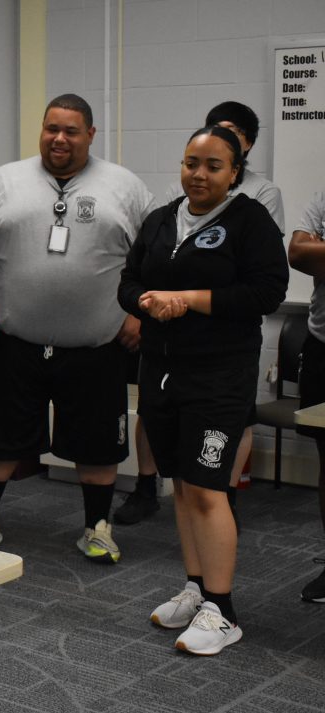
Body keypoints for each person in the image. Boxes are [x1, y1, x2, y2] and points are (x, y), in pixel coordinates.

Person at [0, 94, 154, 562]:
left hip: (97, 343)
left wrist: (139, 313)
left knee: (97, 447)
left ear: (91, 133)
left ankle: (98, 528)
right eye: (51, 129)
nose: (59, 139)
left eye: (71, 130)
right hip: (12, 340)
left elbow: (154, 258)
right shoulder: (2, 181)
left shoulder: (126, 188)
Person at [119, 125, 287, 654]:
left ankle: (224, 609)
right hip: (162, 371)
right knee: (184, 487)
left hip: (219, 376)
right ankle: (196, 589)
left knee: (210, 488)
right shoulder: (162, 218)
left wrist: (189, 298)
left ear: (234, 172)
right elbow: (127, 279)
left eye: (214, 165)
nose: (199, 173)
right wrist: (147, 302)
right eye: (192, 162)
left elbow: (266, 290)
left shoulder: (249, 220)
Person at [287, 192, 325, 604]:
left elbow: (313, 252)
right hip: (322, 345)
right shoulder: (322, 196)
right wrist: (311, 251)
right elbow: (298, 253)